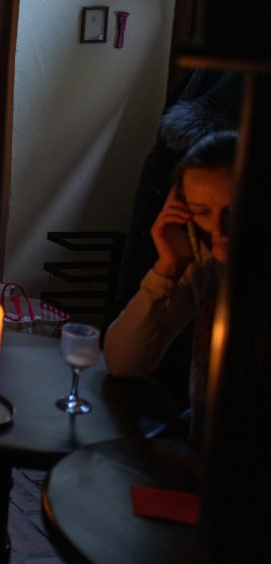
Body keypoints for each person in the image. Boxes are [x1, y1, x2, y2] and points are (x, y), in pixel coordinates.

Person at [104, 130, 238, 448]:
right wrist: (167, 268)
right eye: (202, 211)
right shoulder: (204, 262)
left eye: (234, 209)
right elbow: (123, 361)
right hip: (206, 439)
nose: (218, 228)